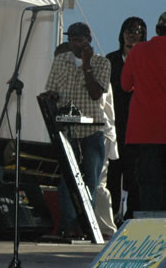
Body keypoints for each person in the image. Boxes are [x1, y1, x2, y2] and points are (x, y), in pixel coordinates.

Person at [41, 22, 111, 238]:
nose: (75, 44)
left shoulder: (102, 62)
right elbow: (50, 89)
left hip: (92, 130)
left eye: (79, 40)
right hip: (67, 128)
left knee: (89, 179)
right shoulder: (61, 60)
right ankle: (68, 225)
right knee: (67, 179)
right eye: (71, 39)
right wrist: (51, 99)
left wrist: (87, 65)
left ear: (89, 40)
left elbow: (96, 94)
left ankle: (86, 224)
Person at [55, 42, 118, 238]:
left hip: (98, 132)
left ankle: (104, 229)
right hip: (73, 132)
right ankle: (76, 224)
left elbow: (96, 99)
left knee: (96, 183)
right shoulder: (67, 77)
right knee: (72, 179)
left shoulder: (93, 71)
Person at [121, 12, 166, 211]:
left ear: (157, 30)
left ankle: (153, 233)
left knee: (149, 184)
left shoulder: (138, 51)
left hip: (145, 130)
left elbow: (125, 85)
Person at [105, 17, 146, 221]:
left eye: (137, 31)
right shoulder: (111, 59)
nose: (132, 34)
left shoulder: (146, 59)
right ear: (122, 33)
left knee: (134, 173)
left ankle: (131, 216)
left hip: (138, 123)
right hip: (115, 122)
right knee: (112, 171)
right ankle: (111, 215)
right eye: (128, 31)